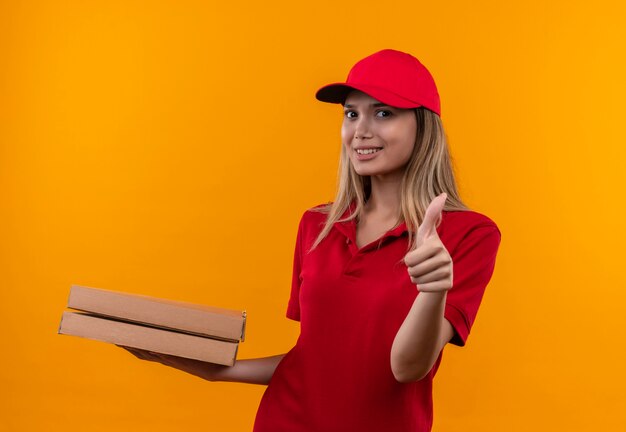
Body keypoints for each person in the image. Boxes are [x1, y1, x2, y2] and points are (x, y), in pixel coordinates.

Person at [120, 48, 502, 432]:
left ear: (423, 125)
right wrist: (220, 371)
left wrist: (432, 290)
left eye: (383, 112)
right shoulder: (317, 224)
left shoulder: (470, 235)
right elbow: (314, 358)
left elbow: (406, 368)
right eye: (351, 114)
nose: (360, 130)